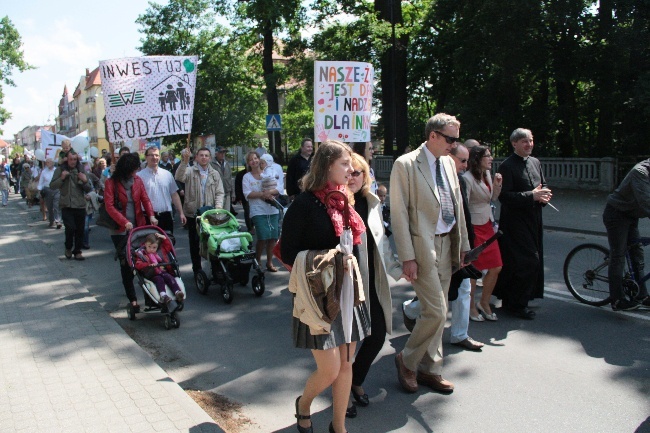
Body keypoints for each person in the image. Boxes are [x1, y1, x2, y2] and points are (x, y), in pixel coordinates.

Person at [280, 140, 370, 433]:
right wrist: (326, 262)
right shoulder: (304, 204)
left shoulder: (345, 199)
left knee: (346, 365)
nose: (351, 168)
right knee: (330, 369)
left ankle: (339, 427)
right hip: (316, 294)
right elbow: (288, 252)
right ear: (327, 166)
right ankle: (304, 404)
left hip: (347, 291)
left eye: (351, 164)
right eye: (344, 163)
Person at [390, 113, 469, 394]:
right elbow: (399, 214)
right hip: (422, 247)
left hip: (448, 243)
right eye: (450, 139)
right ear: (433, 136)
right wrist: (407, 257)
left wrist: (463, 247)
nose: (454, 145)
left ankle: (430, 369)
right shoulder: (406, 164)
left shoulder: (448, 163)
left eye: (456, 139)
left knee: (437, 310)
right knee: (436, 311)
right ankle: (407, 360)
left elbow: (457, 207)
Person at [402, 143, 484, 351]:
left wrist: (466, 245)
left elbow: (462, 214)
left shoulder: (459, 180)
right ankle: (412, 314)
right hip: (433, 246)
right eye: (462, 161)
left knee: (462, 290)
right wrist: (409, 256)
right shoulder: (423, 173)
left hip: (455, 245)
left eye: (467, 161)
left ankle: (459, 334)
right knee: (438, 302)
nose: (465, 166)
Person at [346, 153, 406, 418]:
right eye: (347, 172)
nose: (351, 177)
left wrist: (397, 269)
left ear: (366, 175)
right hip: (344, 281)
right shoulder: (334, 202)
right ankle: (343, 396)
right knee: (345, 342)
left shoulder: (372, 202)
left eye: (357, 173)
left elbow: (381, 243)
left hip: (370, 278)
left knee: (377, 335)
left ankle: (354, 381)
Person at [493, 128, 551, 320]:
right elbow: (504, 196)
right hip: (515, 222)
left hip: (534, 218)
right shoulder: (507, 166)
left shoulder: (535, 161)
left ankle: (522, 298)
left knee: (531, 260)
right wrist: (531, 196)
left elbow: (541, 185)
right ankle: (516, 304)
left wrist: (544, 195)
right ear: (514, 144)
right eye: (525, 141)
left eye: (531, 140)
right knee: (526, 261)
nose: (529, 145)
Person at [105, 153, 157, 311]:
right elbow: (109, 206)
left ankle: (151, 298)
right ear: (127, 169)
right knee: (127, 265)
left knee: (145, 262)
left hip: (138, 228)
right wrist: (124, 222)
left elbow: (145, 199)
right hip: (120, 230)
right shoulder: (111, 183)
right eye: (134, 169)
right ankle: (133, 300)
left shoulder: (137, 180)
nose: (137, 172)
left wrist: (152, 216)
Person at [602, 158, 650, 311]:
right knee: (619, 256)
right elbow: (646, 202)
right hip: (616, 214)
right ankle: (617, 300)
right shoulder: (640, 172)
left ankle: (642, 296)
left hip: (631, 215)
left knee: (637, 253)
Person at [463, 145, 503, 321]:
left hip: (488, 224)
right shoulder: (467, 179)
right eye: (487, 156)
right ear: (477, 159)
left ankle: (484, 302)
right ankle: (471, 306)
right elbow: (464, 205)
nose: (491, 158)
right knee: (475, 270)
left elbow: (492, 198)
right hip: (474, 227)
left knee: (496, 266)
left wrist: (496, 186)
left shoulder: (487, 174)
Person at [175, 147, 224, 275]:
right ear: (196, 157)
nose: (204, 157)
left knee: (212, 242)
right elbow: (179, 177)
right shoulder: (190, 171)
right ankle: (197, 268)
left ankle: (216, 269)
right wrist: (184, 161)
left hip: (210, 213)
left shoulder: (215, 173)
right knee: (195, 242)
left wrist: (218, 207)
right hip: (193, 213)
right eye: (201, 155)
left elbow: (220, 192)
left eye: (206, 155)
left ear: (210, 158)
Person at [50, 151, 92, 260]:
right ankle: (68, 247)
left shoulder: (81, 169)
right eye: (70, 159)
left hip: (79, 205)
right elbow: (52, 185)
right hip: (66, 205)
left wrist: (85, 180)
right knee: (70, 228)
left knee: (80, 229)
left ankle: (77, 251)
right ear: (66, 160)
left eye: (75, 159)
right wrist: (62, 178)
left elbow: (89, 188)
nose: (73, 162)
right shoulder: (60, 170)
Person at [243, 151, 280, 272]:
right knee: (262, 237)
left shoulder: (269, 172)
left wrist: (272, 192)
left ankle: (269, 262)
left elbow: (278, 187)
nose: (254, 161)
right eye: (251, 159)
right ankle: (257, 260)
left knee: (273, 237)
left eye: (255, 158)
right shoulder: (247, 177)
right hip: (258, 211)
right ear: (248, 163)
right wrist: (262, 194)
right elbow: (247, 194)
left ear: (259, 159)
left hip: (272, 209)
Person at [138, 147, 186, 233]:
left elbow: (174, 194)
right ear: (146, 157)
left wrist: (181, 213)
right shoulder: (139, 176)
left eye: (156, 155)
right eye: (151, 155)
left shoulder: (167, 174)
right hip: (147, 216)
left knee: (167, 243)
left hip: (165, 216)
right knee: (149, 245)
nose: (154, 157)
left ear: (159, 157)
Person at [134, 233, 185, 304]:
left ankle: (177, 291)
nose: (151, 249)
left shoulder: (159, 252)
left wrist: (164, 238)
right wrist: (148, 264)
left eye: (154, 247)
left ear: (157, 247)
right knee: (159, 279)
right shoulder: (141, 254)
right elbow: (138, 265)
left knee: (169, 277)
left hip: (161, 271)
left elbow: (168, 247)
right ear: (145, 244)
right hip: (151, 274)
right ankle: (163, 295)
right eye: (149, 247)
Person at [37, 157, 62, 229]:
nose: (47, 164)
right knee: (50, 206)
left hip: (57, 189)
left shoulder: (57, 170)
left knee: (56, 205)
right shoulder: (44, 172)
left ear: (52, 163)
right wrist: (39, 191)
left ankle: (58, 221)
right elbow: (41, 183)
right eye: (46, 162)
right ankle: (51, 220)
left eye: (49, 162)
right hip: (47, 190)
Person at [210, 146, 233, 212]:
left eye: (224, 152)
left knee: (226, 213)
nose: (223, 154)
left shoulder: (227, 163)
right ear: (216, 153)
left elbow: (230, 178)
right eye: (221, 152)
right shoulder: (211, 164)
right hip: (216, 193)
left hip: (227, 192)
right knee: (218, 213)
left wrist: (233, 193)